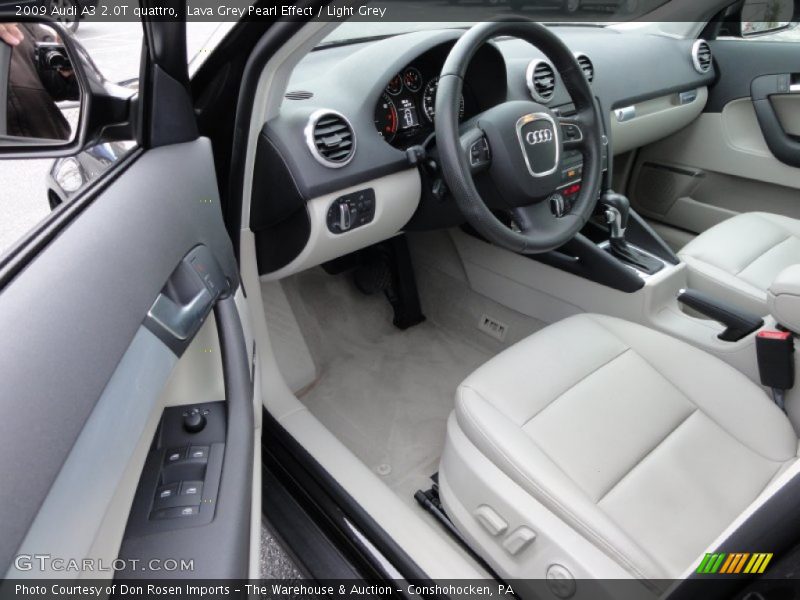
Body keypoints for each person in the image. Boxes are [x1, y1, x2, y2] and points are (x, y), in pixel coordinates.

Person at [1, 22, 79, 140]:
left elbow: (66, 89)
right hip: (31, 151)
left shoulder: (22, 25)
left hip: (55, 149)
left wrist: (69, 69)